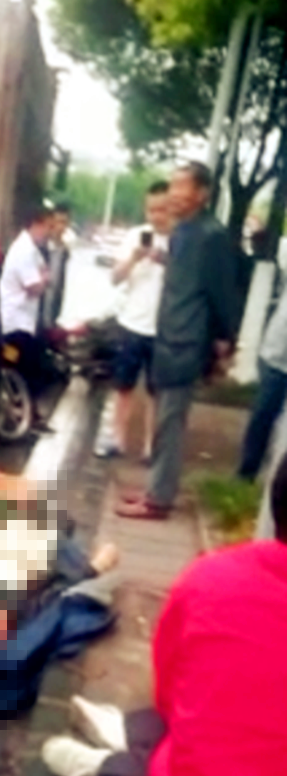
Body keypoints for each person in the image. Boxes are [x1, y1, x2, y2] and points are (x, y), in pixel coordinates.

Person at [42, 451, 287, 776]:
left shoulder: (213, 578)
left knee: (171, 739)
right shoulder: (216, 578)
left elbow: (169, 691)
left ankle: (107, 762)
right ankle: (124, 739)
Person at [117, 162, 240, 520]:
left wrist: (225, 341)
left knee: (170, 423)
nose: (173, 194)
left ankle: (158, 500)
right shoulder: (183, 231)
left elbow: (222, 294)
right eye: (171, 186)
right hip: (168, 336)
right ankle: (156, 489)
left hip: (186, 341)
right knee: (163, 421)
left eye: (182, 186)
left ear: (202, 194)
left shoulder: (211, 236)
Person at [101, 181, 171, 461]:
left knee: (156, 392)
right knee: (123, 387)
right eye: (151, 209)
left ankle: (150, 447)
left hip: (163, 329)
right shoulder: (134, 237)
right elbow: (115, 278)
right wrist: (134, 257)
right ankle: (118, 441)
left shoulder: (179, 241)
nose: (156, 216)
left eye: (162, 209)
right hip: (131, 323)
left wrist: (164, 260)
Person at [0, 206, 54, 433]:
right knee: (24, 369)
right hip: (15, 323)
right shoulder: (24, 251)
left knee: (24, 368)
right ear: (35, 224)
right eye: (47, 226)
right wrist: (45, 280)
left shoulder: (31, 249)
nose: (49, 232)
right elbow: (34, 287)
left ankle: (26, 414)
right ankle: (24, 415)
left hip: (21, 321)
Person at [237, 276, 287, 481]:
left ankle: (277, 478)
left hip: (275, 353)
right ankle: (247, 472)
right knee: (262, 416)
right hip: (275, 355)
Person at [40, 201, 72, 332]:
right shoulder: (40, 247)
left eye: (64, 223)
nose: (60, 227)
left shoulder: (64, 251)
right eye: (58, 222)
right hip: (35, 312)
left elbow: (60, 285)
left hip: (51, 313)